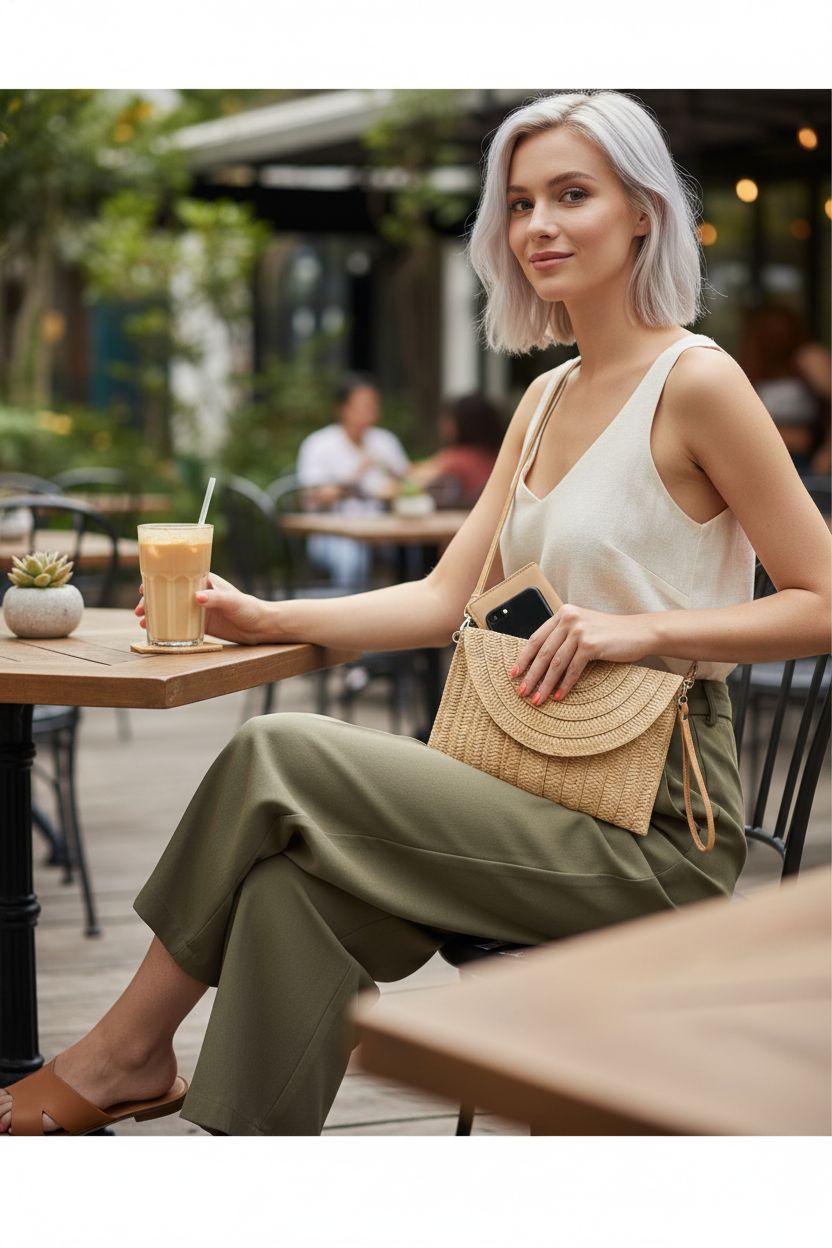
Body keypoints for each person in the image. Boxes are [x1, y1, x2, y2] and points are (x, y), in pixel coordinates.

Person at [3, 90, 830, 1137]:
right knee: (284, 900)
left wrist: (645, 630)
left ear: (642, 212)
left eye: (570, 194)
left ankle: (122, 1050)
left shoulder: (697, 383)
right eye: (520, 201)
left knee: (278, 754)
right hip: (526, 781)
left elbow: (823, 599)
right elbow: (445, 596)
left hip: (657, 827)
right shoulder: (542, 398)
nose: (537, 224)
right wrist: (272, 616)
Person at [296, 373, 409, 589]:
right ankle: (346, 617)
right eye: (363, 406)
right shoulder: (319, 444)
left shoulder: (384, 441)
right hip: (332, 534)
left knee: (417, 552)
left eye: (374, 405)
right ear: (342, 408)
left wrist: (399, 484)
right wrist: (356, 476)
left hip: (384, 530)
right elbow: (312, 496)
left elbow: (406, 482)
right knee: (352, 557)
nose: (370, 412)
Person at [738, 304, 831, 478]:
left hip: (811, 462)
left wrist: (827, 452)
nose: (776, 337)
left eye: (782, 330)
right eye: (769, 331)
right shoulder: (751, 369)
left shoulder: (808, 360)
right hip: (765, 458)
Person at [407, 394, 504, 506]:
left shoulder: (460, 458)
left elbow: (415, 477)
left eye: (448, 420)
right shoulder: (500, 455)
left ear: (462, 424)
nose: (442, 426)